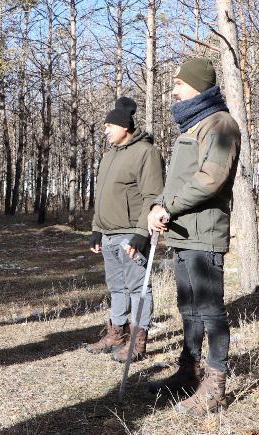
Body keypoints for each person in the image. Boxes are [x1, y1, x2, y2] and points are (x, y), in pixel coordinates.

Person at [147, 58, 240, 415]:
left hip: (204, 234)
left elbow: (210, 178)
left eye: (179, 83)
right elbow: (179, 179)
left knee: (210, 310)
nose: (174, 89)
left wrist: (167, 206)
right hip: (183, 233)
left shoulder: (221, 124)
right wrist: (159, 204)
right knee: (187, 307)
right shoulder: (194, 125)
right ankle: (189, 372)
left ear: (198, 85)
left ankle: (215, 387)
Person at [86, 97, 164, 363]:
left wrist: (142, 232)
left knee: (138, 288)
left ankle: (138, 340)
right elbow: (103, 196)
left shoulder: (145, 152)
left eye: (110, 125)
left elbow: (153, 196)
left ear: (124, 126)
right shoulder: (109, 156)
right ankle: (116, 332)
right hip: (108, 235)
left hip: (131, 234)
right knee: (116, 287)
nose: (105, 130)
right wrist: (97, 228)